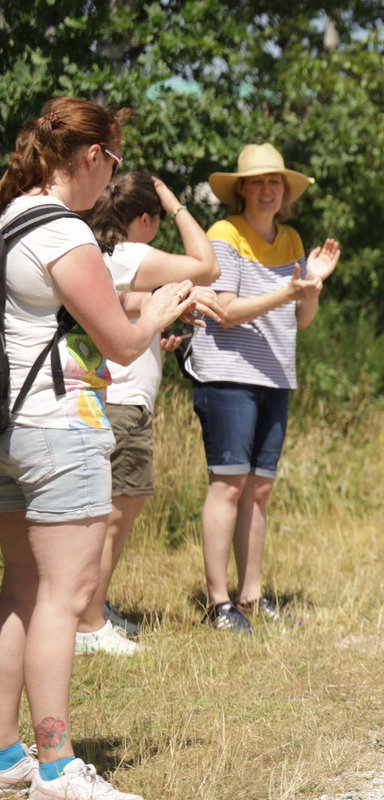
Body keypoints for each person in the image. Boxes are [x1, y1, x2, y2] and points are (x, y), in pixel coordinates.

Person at [0, 97, 218, 800]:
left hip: (10, 429)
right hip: (59, 431)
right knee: (67, 598)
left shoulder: (9, 218)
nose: (112, 177)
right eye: (114, 161)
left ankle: (7, 755)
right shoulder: (64, 230)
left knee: (20, 594)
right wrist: (163, 309)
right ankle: (59, 766)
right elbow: (123, 346)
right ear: (92, 158)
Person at [187, 143, 341, 633]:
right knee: (228, 485)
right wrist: (286, 290)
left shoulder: (292, 239)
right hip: (227, 373)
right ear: (242, 190)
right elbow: (225, 311)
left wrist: (311, 288)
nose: (268, 189)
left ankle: (251, 598)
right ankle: (219, 603)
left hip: (276, 375)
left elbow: (301, 320)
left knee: (260, 490)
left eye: (275, 181)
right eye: (258, 182)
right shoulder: (224, 234)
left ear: (284, 191)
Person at [75, 172, 220, 656]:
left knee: (115, 509)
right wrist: (175, 201)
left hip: (118, 398)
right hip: (120, 403)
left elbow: (121, 310)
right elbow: (207, 265)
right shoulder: (130, 253)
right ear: (145, 219)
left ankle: (94, 610)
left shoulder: (106, 258)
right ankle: (89, 622)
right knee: (114, 514)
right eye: (159, 218)